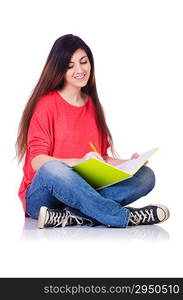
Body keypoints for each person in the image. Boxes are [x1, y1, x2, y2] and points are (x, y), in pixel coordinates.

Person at [15, 34, 170, 229]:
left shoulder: (94, 107)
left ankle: (73, 217)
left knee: (146, 176)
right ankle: (123, 217)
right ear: (59, 69)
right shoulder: (46, 104)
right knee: (52, 168)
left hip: (81, 193)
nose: (79, 70)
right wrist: (79, 162)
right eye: (70, 65)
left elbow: (101, 158)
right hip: (44, 197)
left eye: (83, 62)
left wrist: (131, 163)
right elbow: (37, 161)